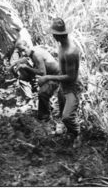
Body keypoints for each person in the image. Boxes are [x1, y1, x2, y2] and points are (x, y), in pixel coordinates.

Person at [38, 18, 83, 148]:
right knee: (62, 112)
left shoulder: (70, 51)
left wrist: (47, 78)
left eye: (53, 33)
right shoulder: (61, 45)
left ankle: (77, 134)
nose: (52, 36)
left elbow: (71, 76)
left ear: (58, 35)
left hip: (72, 88)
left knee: (67, 117)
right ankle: (67, 131)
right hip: (63, 86)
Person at [15, 39, 60, 121]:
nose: (23, 54)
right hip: (50, 75)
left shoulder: (36, 54)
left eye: (23, 50)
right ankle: (48, 107)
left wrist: (26, 67)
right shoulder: (32, 53)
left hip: (57, 76)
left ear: (28, 46)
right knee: (39, 85)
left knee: (42, 93)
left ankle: (45, 117)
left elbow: (42, 72)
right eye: (20, 52)